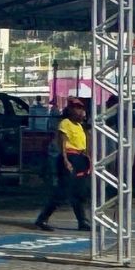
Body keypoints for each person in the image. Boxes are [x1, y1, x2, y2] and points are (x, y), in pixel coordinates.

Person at [34, 98, 91, 233]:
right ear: (70, 110)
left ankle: (82, 221)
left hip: (80, 158)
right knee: (63, 191)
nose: (80, 111)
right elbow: (63, 142)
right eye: (76, 108)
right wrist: (65, 160)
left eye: (81, 108)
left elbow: (84, 145)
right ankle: (42, 218)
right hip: (70, 157)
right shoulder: (65, 123)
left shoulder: (80, 126)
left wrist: (88, 158)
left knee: (79, 191)